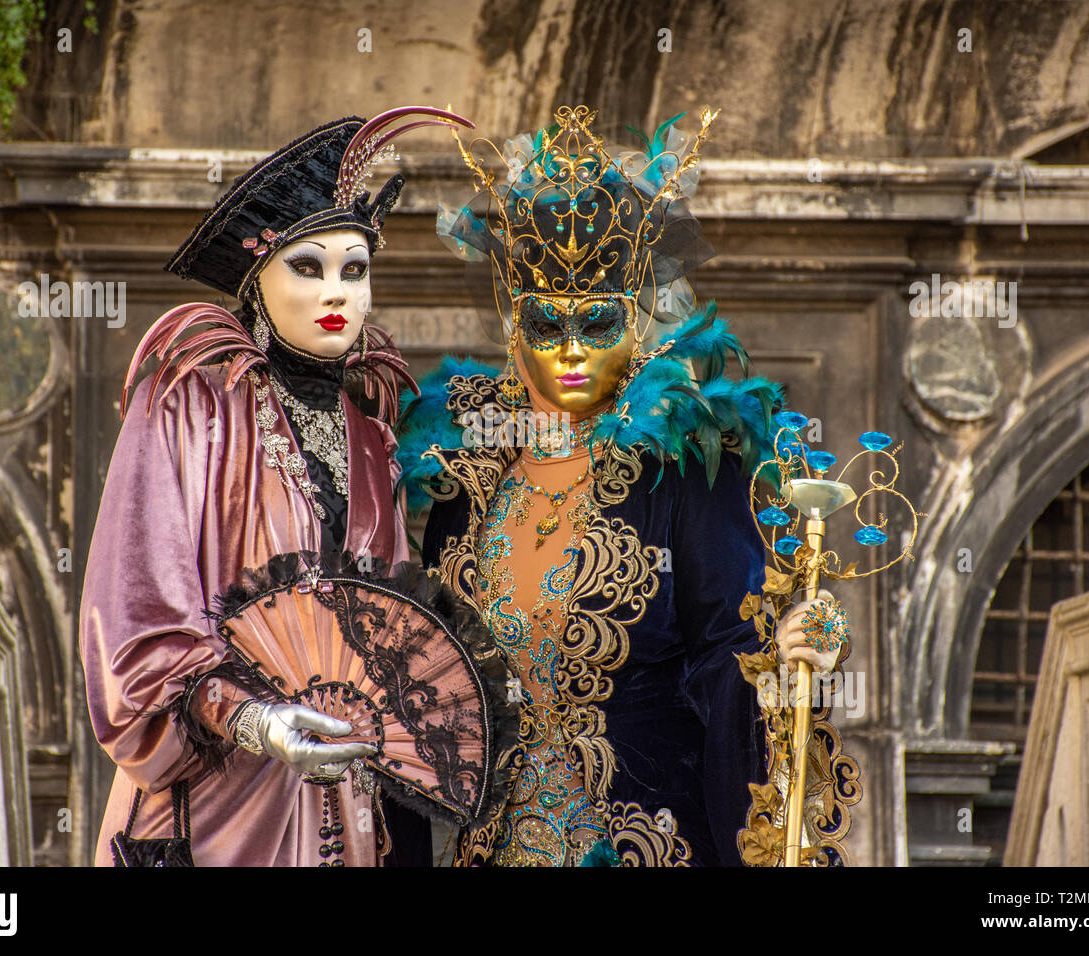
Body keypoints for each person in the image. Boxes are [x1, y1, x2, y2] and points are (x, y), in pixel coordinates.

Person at [396, 104, 848, 866]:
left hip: (649, 845)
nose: (572, 350)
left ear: (634, 323)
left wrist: (785, 657)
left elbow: (726, 650)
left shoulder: (687, 469)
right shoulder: (467, 480)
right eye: (548, 325)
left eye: (598, 323)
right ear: (515, 325)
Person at [80, 108, 471, 866]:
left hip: (346, 799)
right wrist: (256, 721)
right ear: (256, 282)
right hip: (218, 799)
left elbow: (384, 628)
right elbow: (133, 615)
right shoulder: (191, 406)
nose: (338, 292)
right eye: (309, 266)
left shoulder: (370, 435)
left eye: (355, 270)